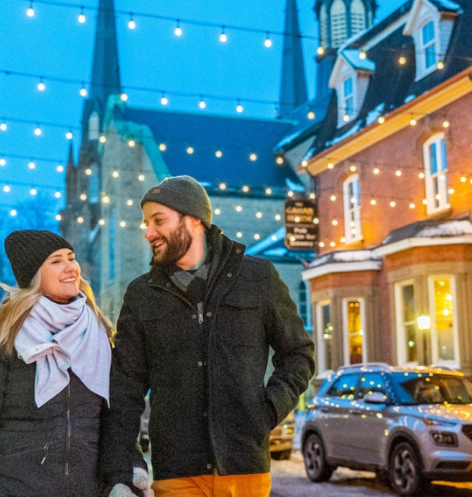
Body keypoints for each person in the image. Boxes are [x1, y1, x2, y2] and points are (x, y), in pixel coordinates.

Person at [101, 176, 315, 497]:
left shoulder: (257, 278)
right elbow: (124, 387)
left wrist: (267, 411)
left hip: (244, 469)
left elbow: (298, 354)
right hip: (177, 473)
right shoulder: (142, 295)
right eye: (147, 223)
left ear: (194, 220)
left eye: (159, 221)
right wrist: (122, 466)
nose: (148, 232)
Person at [0, 230, 140, 497]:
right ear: (34, 276)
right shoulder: (3, 337)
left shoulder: (99, 334)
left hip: (88, 490)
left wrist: (132, 468)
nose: (70, 267)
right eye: (56, 261)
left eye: (71, 258)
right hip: (16, 489)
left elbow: (115, 417)